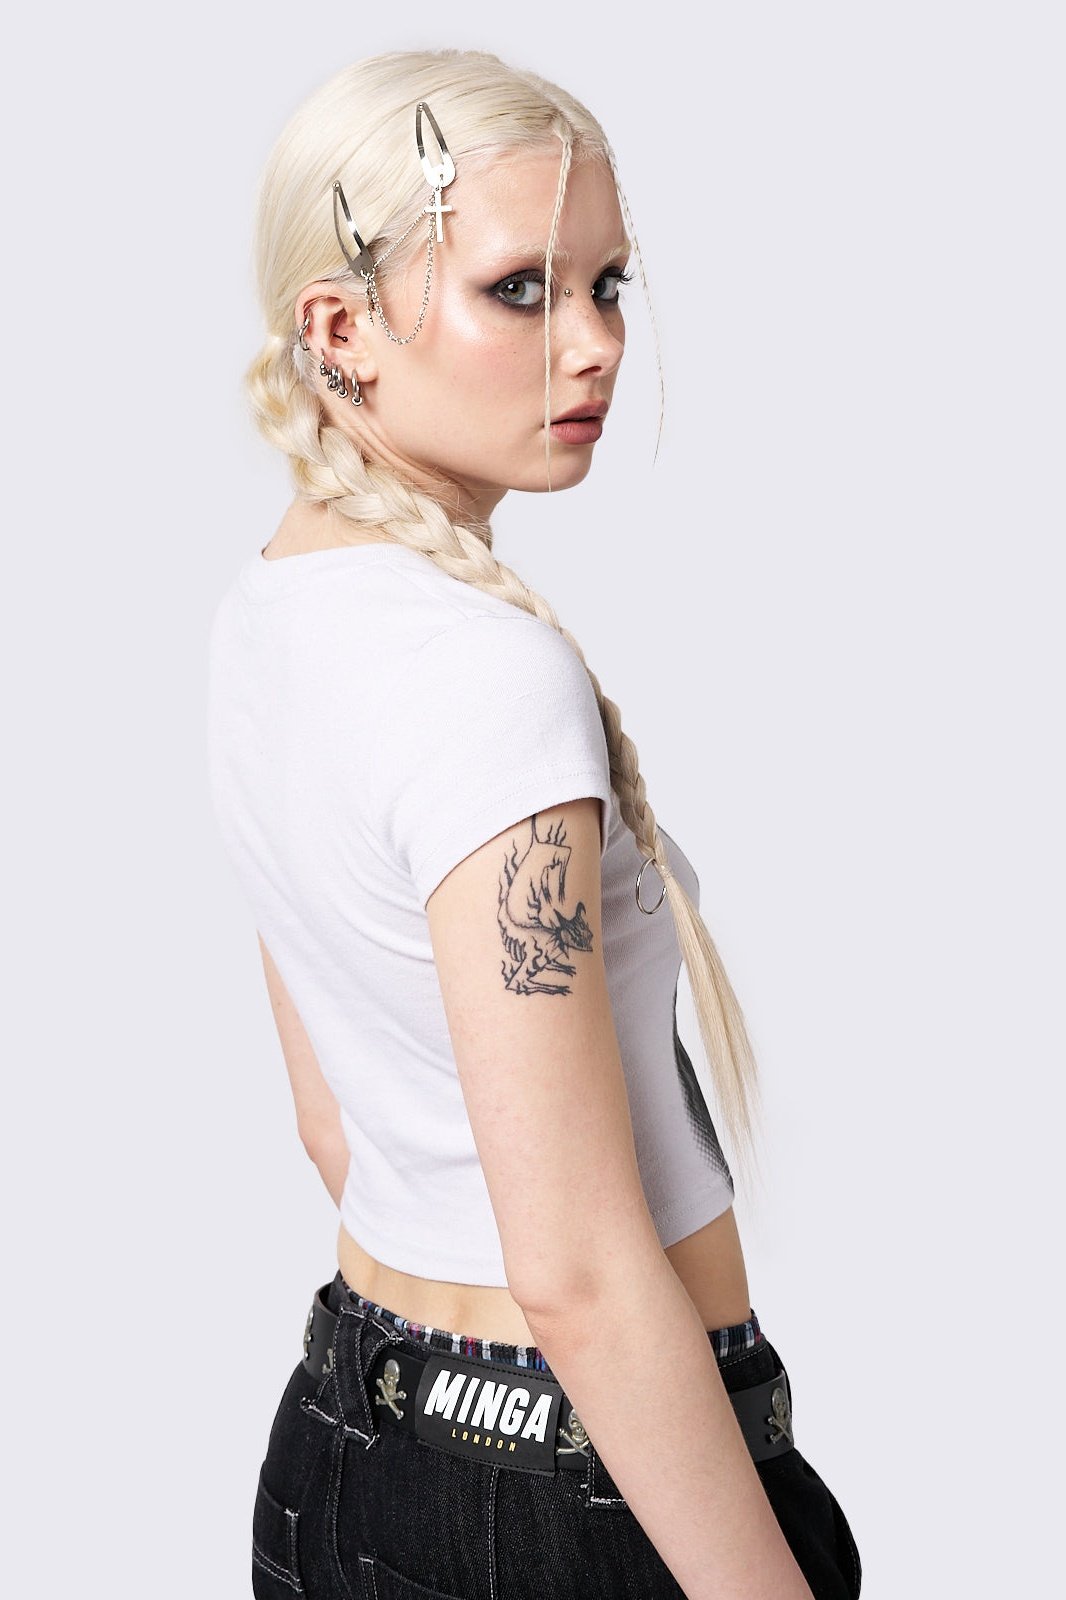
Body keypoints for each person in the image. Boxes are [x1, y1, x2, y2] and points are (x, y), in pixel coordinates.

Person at [206, 48, 863, 1600]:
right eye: (520, 291)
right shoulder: (479, 677)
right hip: (565, 1496)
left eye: (607, 284)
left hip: (341, 1449)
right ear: (338, 330)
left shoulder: (267, 616)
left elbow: (338, 1126)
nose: (596, 345)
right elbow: (571, 1271)